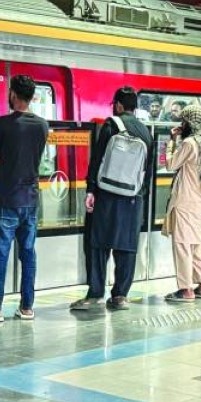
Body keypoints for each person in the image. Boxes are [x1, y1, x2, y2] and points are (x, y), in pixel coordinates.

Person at [0, 75, 49, 322]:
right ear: (32, 96)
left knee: (1, 254)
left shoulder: (2, 123)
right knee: (28, 253)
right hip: (31, 199)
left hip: (6, 197)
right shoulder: (42, 125)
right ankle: (27, 307)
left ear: (13, 94)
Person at [72, 87, 154, 311]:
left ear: (118, 105)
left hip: (106, 194)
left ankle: (96, 292)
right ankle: (120, 296)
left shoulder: (111, 125)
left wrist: (91, 190)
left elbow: (97, 160)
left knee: (98, 243)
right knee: (127, 247)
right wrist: (138, 198)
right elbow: (148, 171)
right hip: (132, 198)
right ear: (134, 107)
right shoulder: (146, 133)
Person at [163, 104, 201, 302]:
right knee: (197, 245)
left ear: (191, 123)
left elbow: (171, 164)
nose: (181, 124)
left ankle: (185, 289)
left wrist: (171, 141)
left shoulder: (190, 143)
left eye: (183, 121)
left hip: (184, 201)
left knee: (182, 245)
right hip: (199, 201)